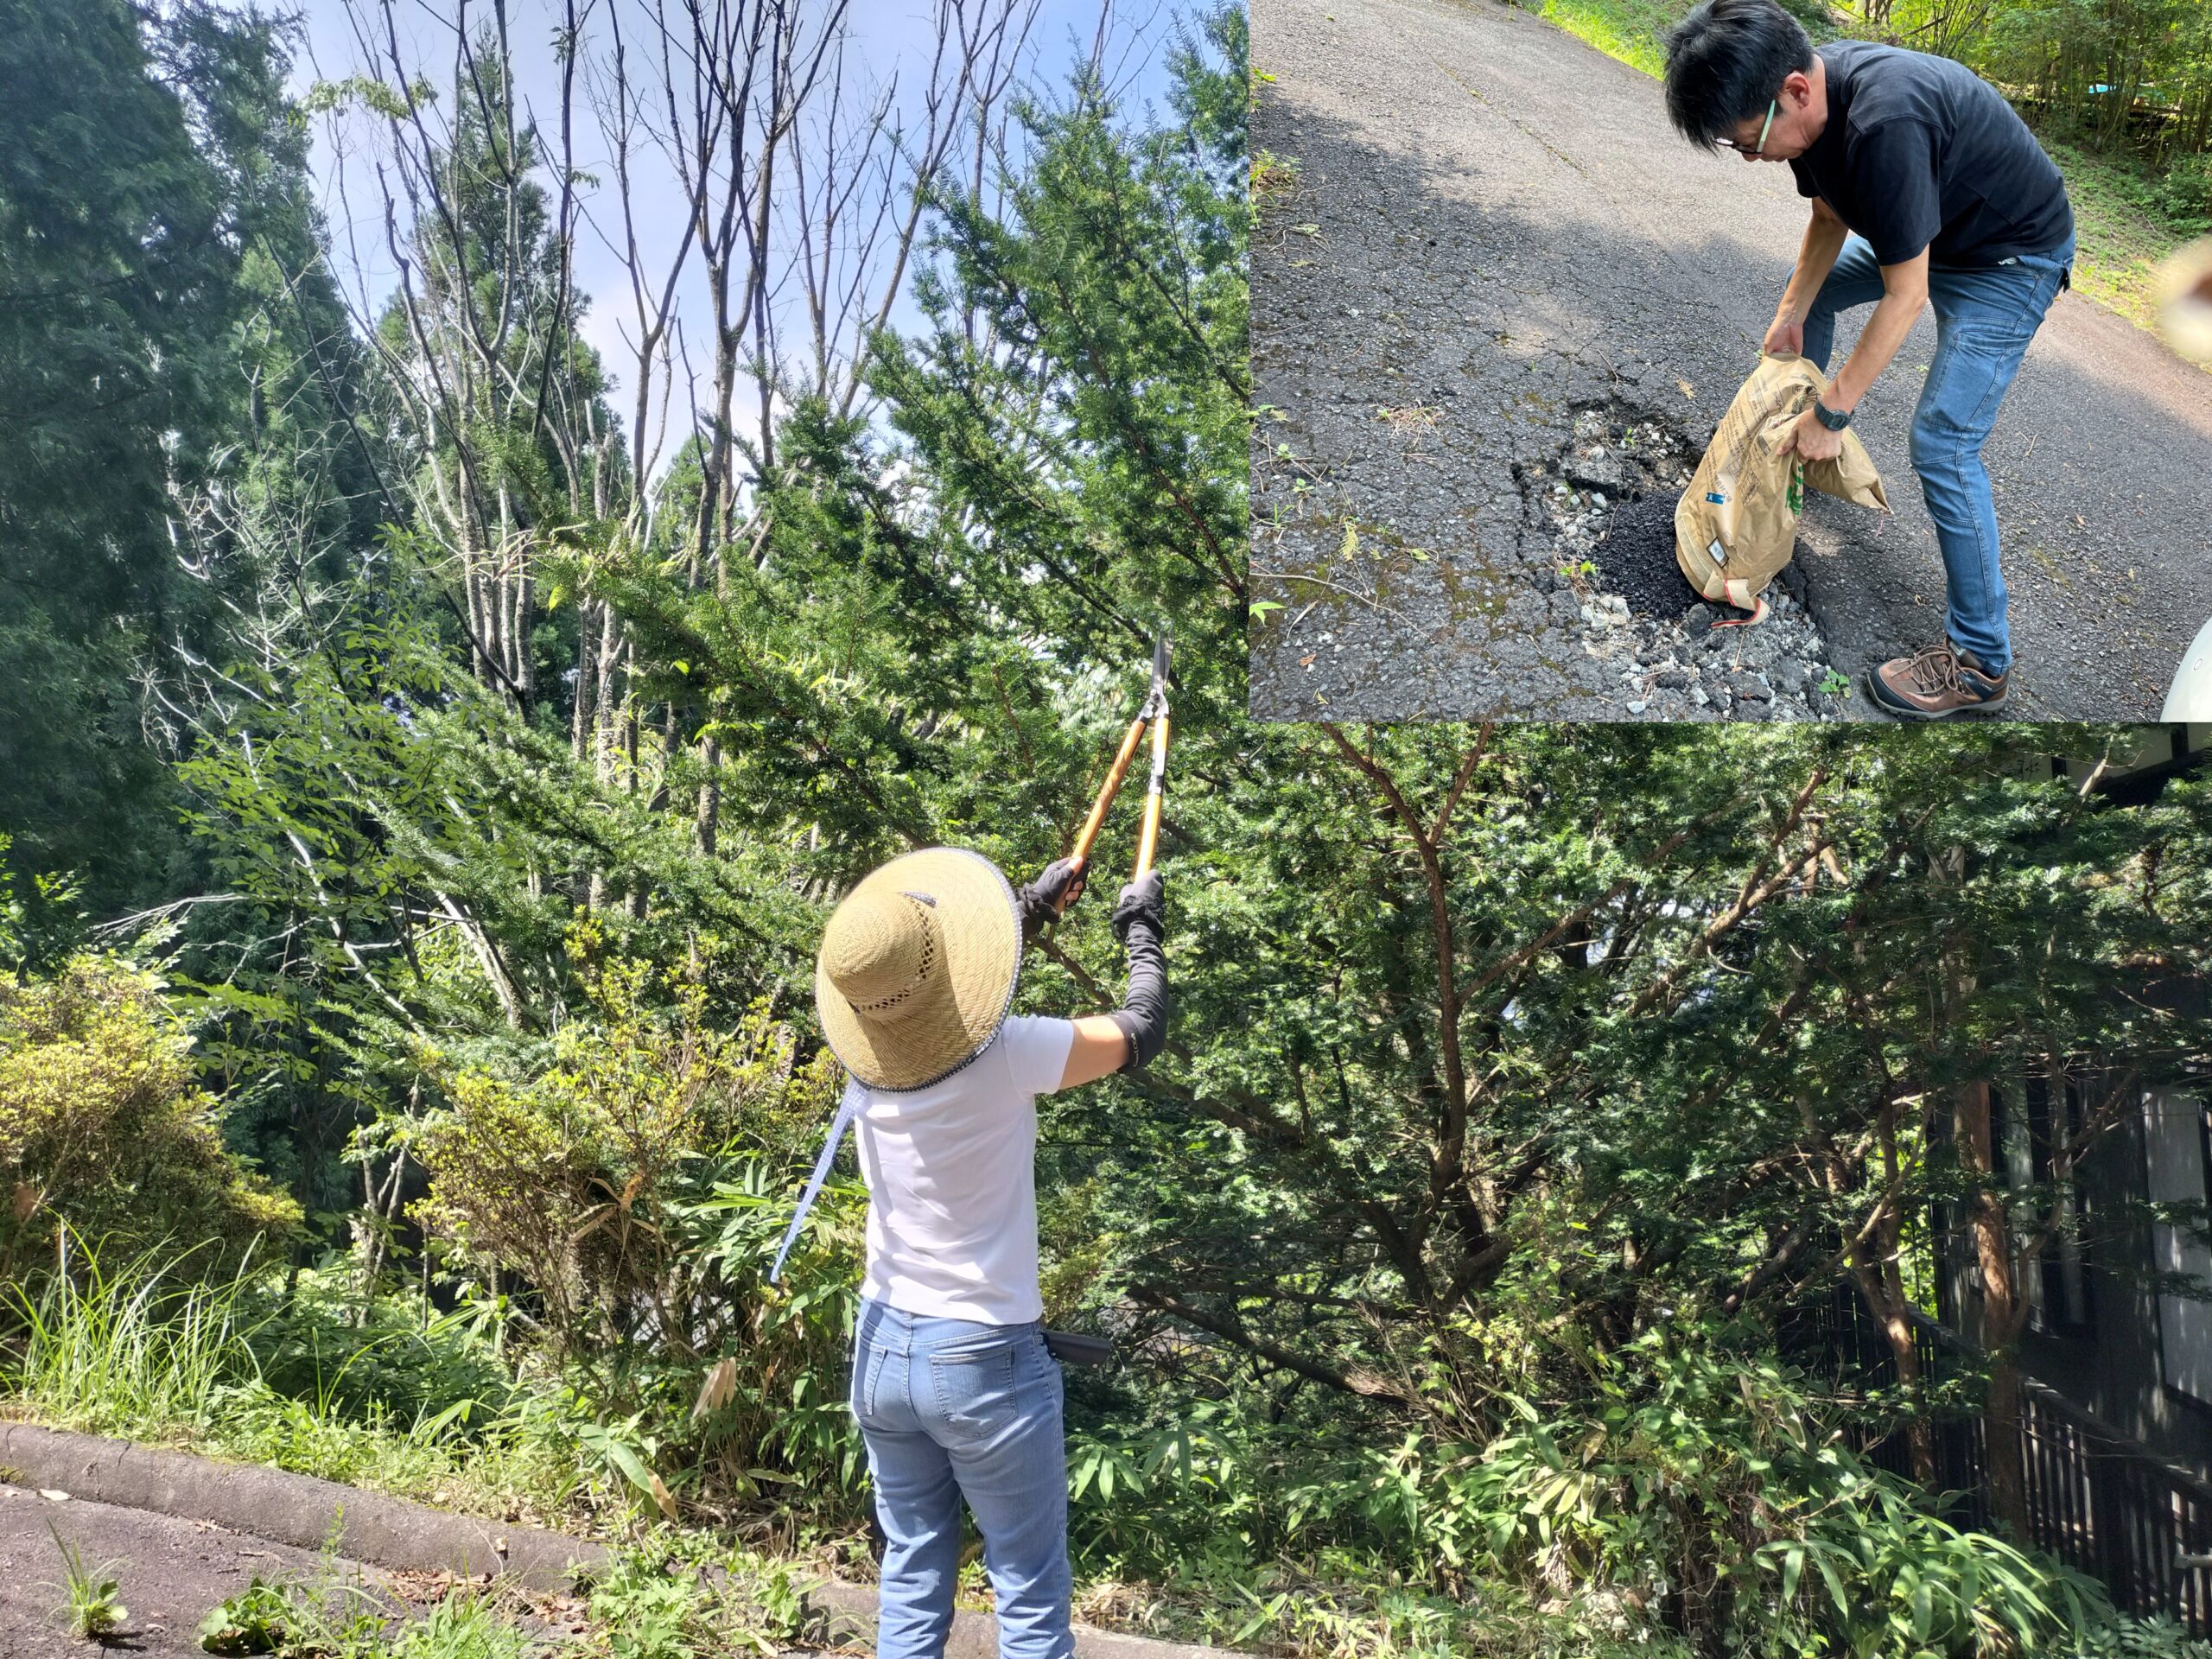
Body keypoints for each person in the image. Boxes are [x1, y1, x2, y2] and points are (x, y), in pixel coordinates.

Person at [1662, 0, 2075, 718]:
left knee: (1944, 444)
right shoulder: (1815, 103)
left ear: (1794, 91)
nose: (1752, 158)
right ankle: (1786, 462)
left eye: (1748, 143)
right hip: (1931, 234)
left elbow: (1905, 295)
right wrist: (1791, 314)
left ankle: (1981, 665)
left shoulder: (1886, 123)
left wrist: (1833, 409)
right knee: (1813, 303)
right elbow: (1828, 216)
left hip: (2008, 259)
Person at [808, 847, 1167, 1659]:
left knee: (911, 1565)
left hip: (882, 1346)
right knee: (1029, 1590)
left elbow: (936, 1018)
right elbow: (1141, 1030)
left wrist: (1032, 911)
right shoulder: (1012, 1052)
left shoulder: (864, 1060)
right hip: (981, 1358)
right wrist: (1141, 929)